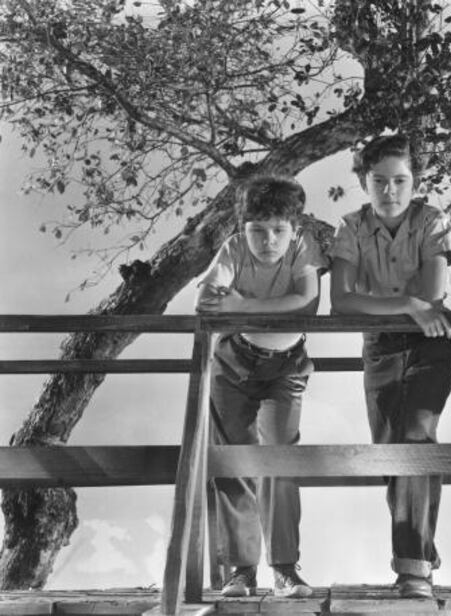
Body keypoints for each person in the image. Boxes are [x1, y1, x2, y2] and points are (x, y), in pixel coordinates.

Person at [328, 134, 451, 599]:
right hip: (380, 346)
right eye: (379, 180)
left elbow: (433, 297)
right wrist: (405, 303)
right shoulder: (350, 227)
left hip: (431, 341)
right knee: (389, 453)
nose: (390, 190)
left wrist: (408, 304)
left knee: (416, 439)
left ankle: (413, 568)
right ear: (365, 181)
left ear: (414, 181)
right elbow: (341, 302)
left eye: (400, 180)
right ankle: (421, 544)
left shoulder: (432, 220)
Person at [195, 176, 327, 598]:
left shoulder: (303, 247)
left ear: (293, 229)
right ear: (243, 228)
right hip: (234, 361)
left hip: (286, 366)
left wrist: (242, 305)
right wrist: (249, 309)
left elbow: (306, 302)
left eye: (278, 230)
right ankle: (241, 570)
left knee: (280, 458)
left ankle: (285, 568)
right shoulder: (234, 249)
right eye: (257, 230)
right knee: (233, 460)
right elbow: (205, 301)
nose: (268, 240)